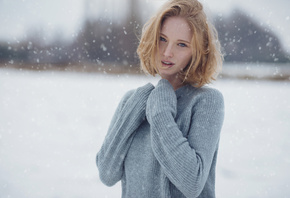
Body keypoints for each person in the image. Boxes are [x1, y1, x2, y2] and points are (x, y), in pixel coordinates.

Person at [96, 0, 224, 197]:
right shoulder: (133, 100)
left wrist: (161, 113)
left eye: (181, 44)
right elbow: (107, 173)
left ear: (197, 52)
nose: (167, 52)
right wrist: (136, 108)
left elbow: (192, 183)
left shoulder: (206, 102)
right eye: (162, 39)